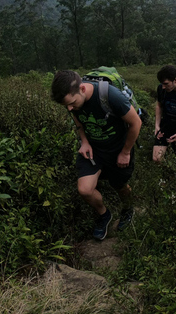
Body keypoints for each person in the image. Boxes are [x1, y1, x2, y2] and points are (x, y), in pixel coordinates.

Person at [51, 70, 142, 240]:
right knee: (85, 190)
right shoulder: (73, 102)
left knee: (120, 185)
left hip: (118, 149)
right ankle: (104, 214)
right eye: (66, 106)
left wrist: (125, 152)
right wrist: (84, 141)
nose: (69, 108)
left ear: (82, 89)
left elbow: (136, 122)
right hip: (94, 149)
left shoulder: (110, 96)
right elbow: (79, 122)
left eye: (71, 103)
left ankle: (128, 208)